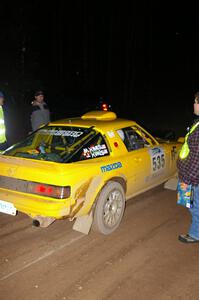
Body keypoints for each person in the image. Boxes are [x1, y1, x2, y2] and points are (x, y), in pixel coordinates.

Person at [177, 91, 199, 243]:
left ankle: (196, 234)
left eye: (196, 101)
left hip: (193, 178)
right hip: (193, 176)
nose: (194, 104)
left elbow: (197, 158)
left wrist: (187, 178)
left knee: (194, 206)